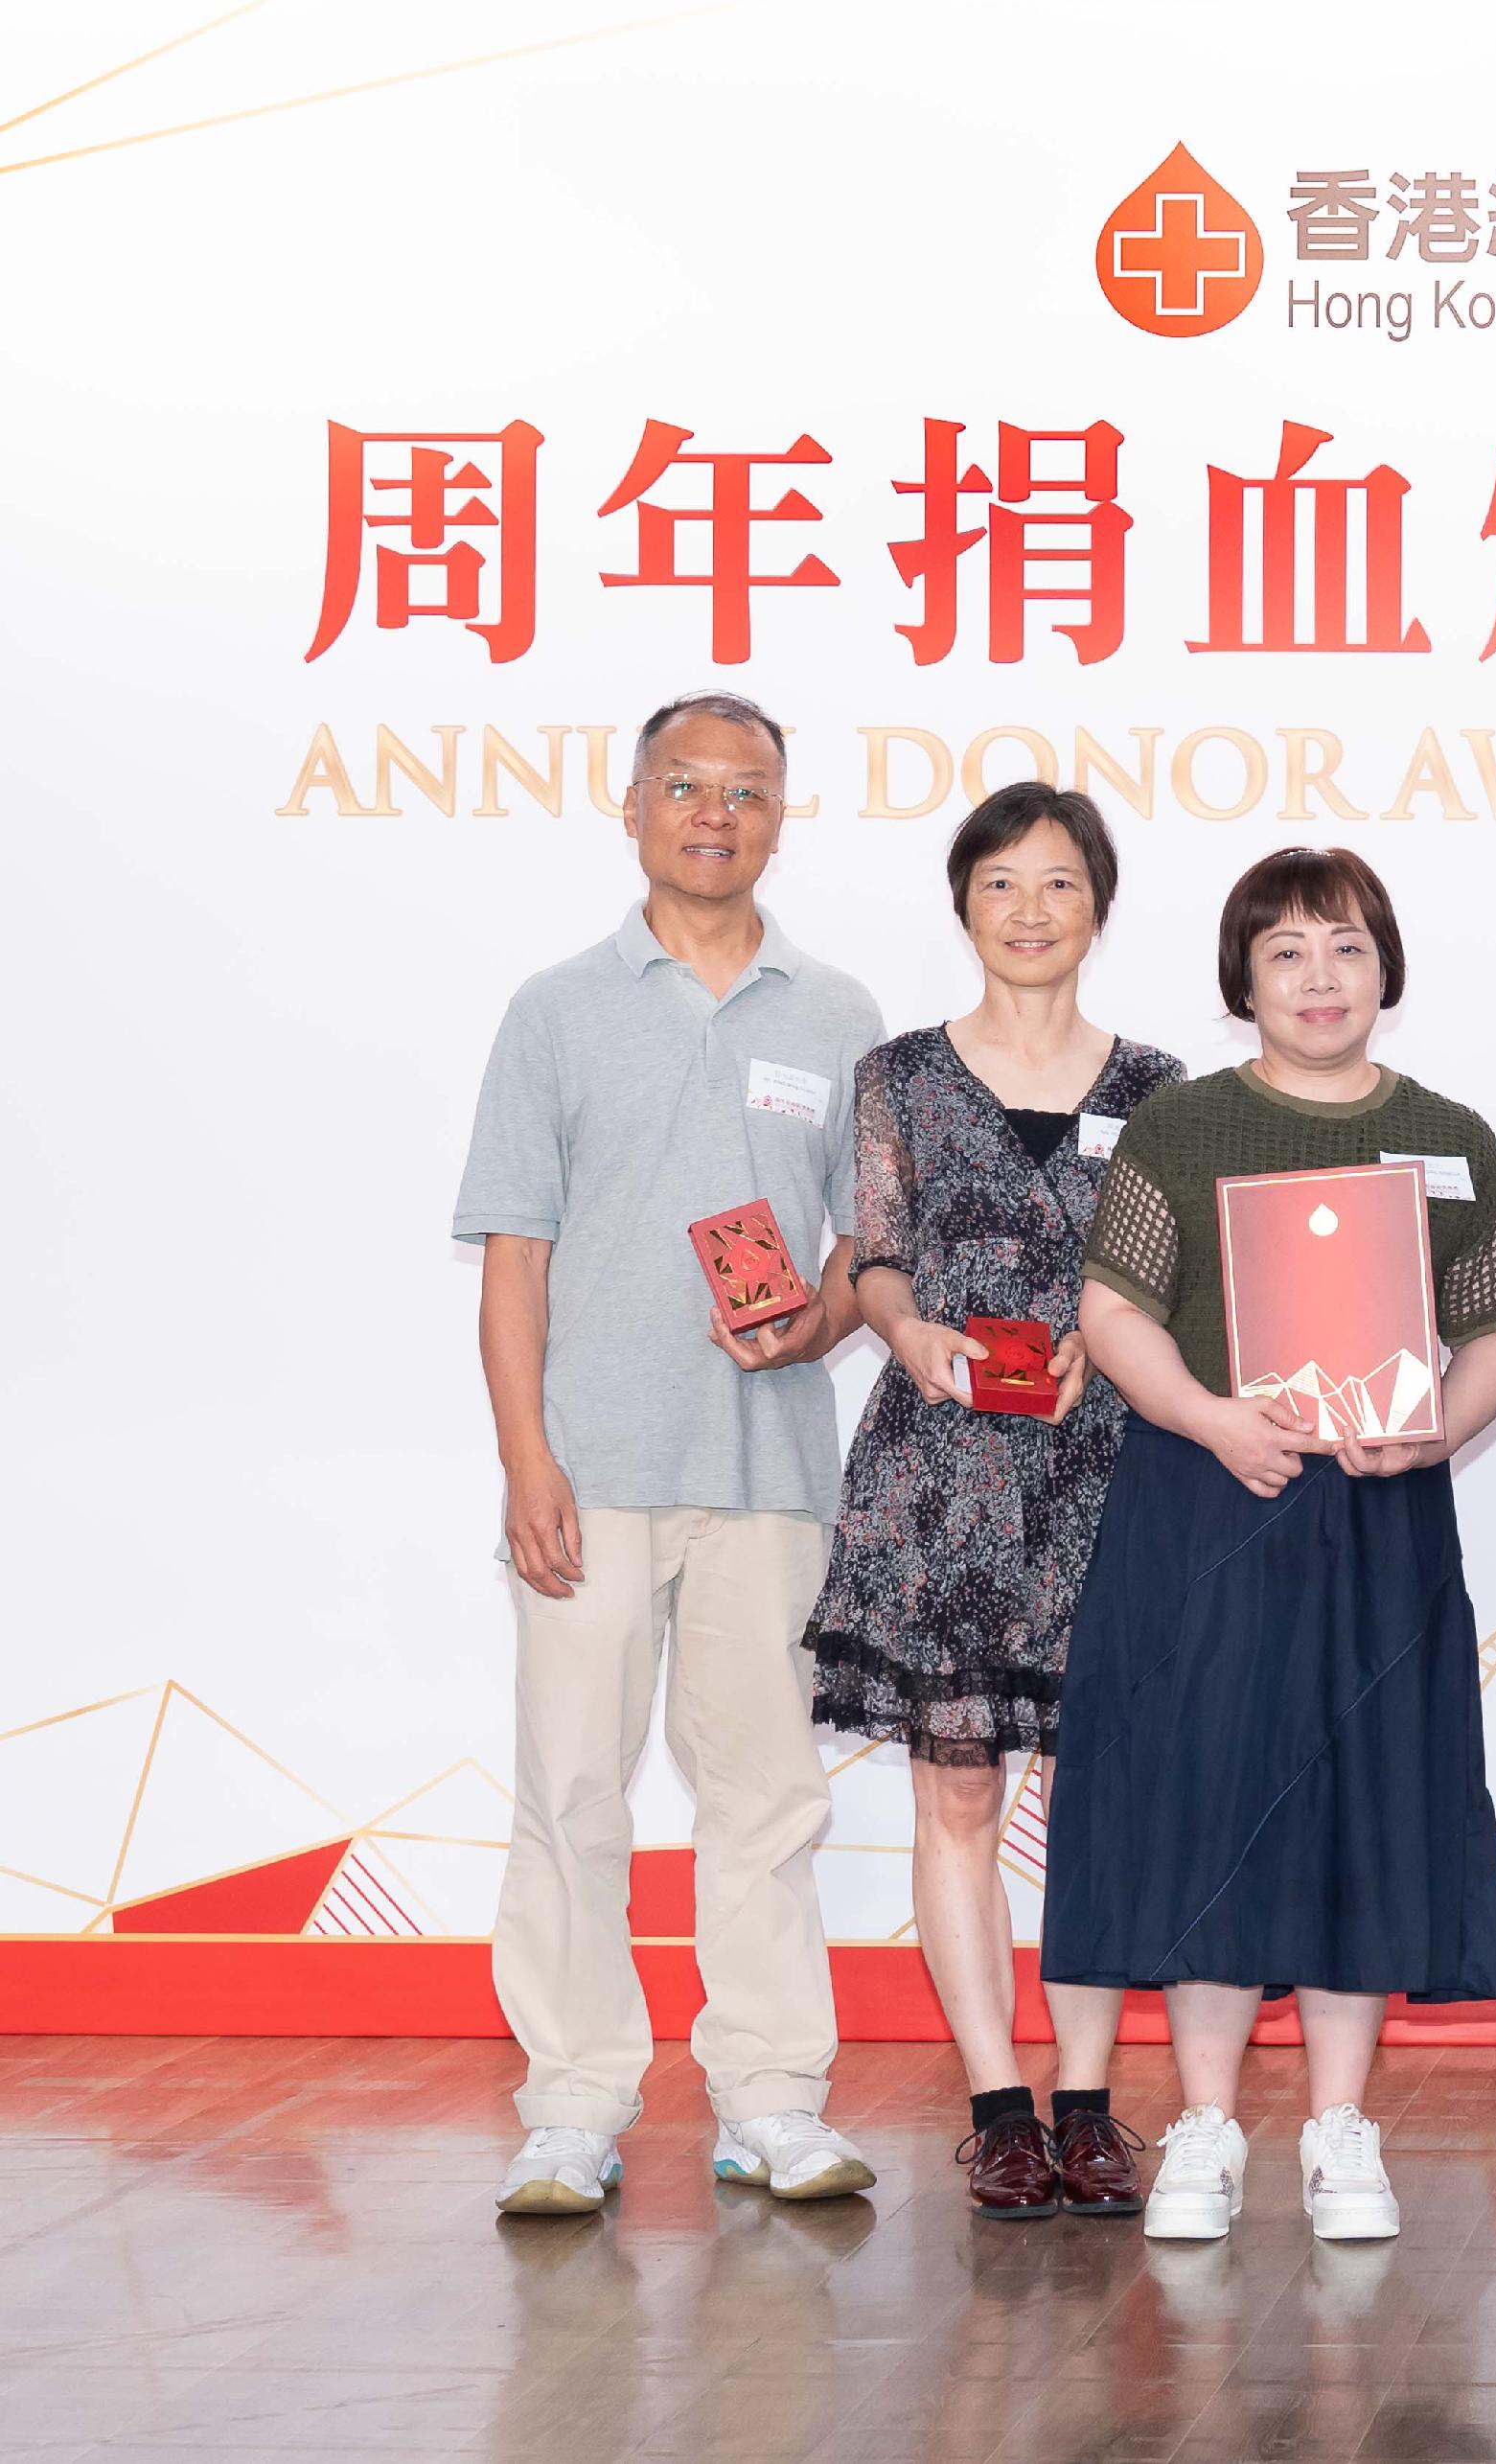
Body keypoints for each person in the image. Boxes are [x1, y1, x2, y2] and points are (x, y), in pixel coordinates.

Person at [1039, 845, 1496, 2244]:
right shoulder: (1183, 1128)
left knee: (1362, 1808)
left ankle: (1339, 2129)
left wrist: (1439, 1427)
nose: (1321, 980)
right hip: (1212, 1503)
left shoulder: (1450, 1134)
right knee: (1207, 1806)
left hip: (1377, 1513)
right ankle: (1204, 2124)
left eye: (1347, 950)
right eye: (1287, 954)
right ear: (1242, 980)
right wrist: (1211, 1419)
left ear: (1385, 968)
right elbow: (1116, 1309)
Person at [453, 691, 886, 2217]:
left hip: (769, 1472)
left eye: (748, 793)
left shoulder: (838, 1017)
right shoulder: (556, 1008)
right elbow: (514, 1261)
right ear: (629, 805)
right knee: (571, 1785)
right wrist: (527, 1464)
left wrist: (818, 1328)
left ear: (783, 816)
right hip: (590, 1470)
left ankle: (770, 2094)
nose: (716, 815)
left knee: (765, 1797)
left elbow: (865, 1256)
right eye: (685, 788)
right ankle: (571, 2102)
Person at [802, 783, 1185, 2218]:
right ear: (964, 904)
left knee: (1096, 1801)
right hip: (940, 1470)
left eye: (1060, 885)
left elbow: (1177, 1275)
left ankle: (1088, 2104)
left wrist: (1119, 1339)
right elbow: (879, 1252)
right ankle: (998, 2105)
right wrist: (906, 1336)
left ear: (1100, 905)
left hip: (1109, 1467)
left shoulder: (1155, 1089)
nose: (1031, 912)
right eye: (1003, 885)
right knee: (957, 1793)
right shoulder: (896, 1072)